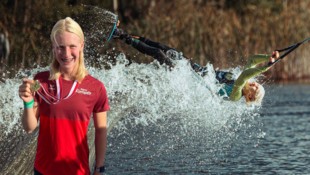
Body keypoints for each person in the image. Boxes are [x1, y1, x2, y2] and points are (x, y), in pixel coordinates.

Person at [18, 17, 110, 175]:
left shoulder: (96, 88)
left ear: (81, 46)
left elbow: (101, 131)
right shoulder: (39, 80)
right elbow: (29, 127)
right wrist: (27, 103)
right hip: (43, 171)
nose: (66, 53)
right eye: (60, 47)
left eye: (72, 46)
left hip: (78, 171)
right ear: (53, 47)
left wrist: (99, 168)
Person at [113, 27, 279, 105]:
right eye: (257, 85)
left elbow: (244, 76)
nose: (255, 84)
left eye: (256, 90)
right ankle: (123, 33)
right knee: (165, 48)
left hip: (188, 77)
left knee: (159, 54)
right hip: (192, 67)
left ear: (249, 97)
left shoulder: (236, 95)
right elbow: (251, 61)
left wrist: (267, 67)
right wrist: (268, 57)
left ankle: (122, 36)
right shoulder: (243, 81)